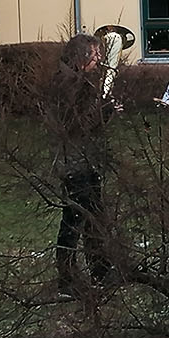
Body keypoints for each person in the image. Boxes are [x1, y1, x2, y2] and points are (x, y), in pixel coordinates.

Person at [45, 34, 116, 297]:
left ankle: (101, 272)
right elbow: (75, 127)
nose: (98, 59)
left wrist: (105, 111)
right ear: (80, 56)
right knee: (73, 223)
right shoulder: (68, 84)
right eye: (94, 54)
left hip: (84, 159)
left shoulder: (78, 81)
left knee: (94, 219)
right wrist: (103, 110)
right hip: (74, 162)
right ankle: (67, 281)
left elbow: (89, 125)